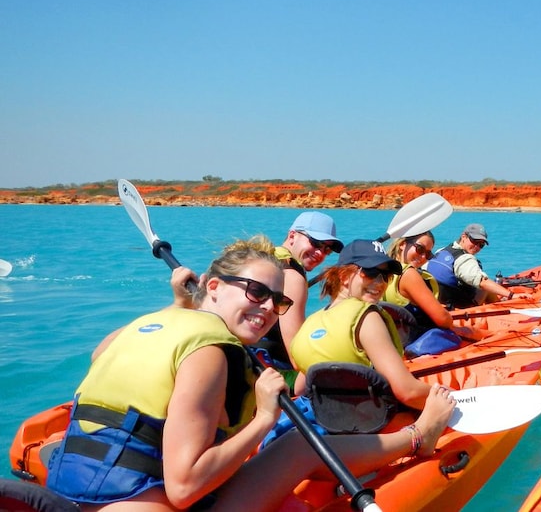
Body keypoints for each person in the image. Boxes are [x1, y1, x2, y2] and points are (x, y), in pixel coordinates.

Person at [45, 236, 455, 511]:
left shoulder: (143, 324)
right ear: (214, 286)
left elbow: (106, 356)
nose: (266, 309)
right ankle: (417, 437)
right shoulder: (209, 353)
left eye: (277, 301)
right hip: (142, 498)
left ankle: (413, 437)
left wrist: (181, 304)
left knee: (295, 444)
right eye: (255, 292)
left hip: (74, 483)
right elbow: (184, 488)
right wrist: (263, 419)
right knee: (297, 445)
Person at [290, 239, 435, 410]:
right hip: (367, 419)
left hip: (328, 416)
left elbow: (300, 387)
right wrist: (447, 394)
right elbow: (407, 392)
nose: (380, 282)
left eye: (386, 276)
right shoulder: (366, 317)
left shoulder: (311, 322)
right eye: (371, 272)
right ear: (344, 276)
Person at [249, 211, 343, 386]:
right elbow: (296, 352)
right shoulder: (293, 277)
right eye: (315, 243)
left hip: (247, 359)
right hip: (272, 372)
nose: (320, 253)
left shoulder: (264, 259)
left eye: (327, 249)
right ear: (292, 235)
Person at [425, 223, 527, 309]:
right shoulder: (465, 259)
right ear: (464, 237)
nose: (477, 247)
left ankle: (498, 302)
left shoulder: (442, 251)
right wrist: (511, 295)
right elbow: (482, 282)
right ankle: (500, 305)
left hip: (437, 301)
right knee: (485, 288)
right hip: (459, 306)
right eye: (475, 241)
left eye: (481, 245)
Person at [382, 231, 453, 342]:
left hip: (391, 338)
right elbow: (443, 319)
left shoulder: (382, 269)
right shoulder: (408, 274)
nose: (423, 257)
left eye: (428, 254)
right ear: (402, 244)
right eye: (420, 249)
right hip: (415, 340)